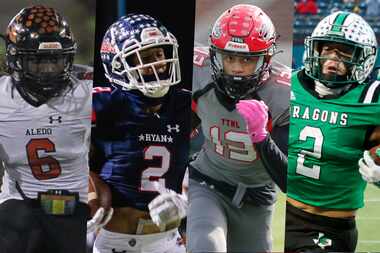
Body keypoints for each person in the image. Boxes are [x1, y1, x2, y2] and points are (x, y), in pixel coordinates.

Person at [187, 4, 290, 252]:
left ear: (266, 59)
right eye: (229, 57)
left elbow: (290, 180)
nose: (236, 68)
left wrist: (262, 138)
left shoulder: (283, 95)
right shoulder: (199, 73)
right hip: (207, 183)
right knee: (206, 245)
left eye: (246, 59)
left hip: (256, 199)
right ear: (214, 54)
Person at [89, 14, 190, 253]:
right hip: (114, 242)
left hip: (169, 243)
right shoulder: (102, 105)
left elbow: (216, 165)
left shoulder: (188, 105)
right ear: (117, 65)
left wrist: (189, 202)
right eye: (144, 57)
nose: (157, 63)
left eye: (159, 54)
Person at [286, 11, 380, 253]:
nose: (332, 60)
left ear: (364, 58)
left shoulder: (371, 98)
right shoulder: (288, 85)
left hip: (329, 227)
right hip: (281, 213)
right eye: (326, 50)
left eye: (345, 53)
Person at [0, 5, 91, 253]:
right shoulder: (2, 98)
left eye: (56, 60)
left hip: (80, 203)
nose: (49, 71)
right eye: (38, 63)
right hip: (21, 203)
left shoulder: (89, 90)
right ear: (15, 59)